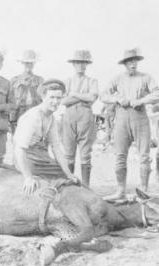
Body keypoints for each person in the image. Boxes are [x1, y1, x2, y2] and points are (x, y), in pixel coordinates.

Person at [101, 48, 159, 200]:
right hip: (121, 118)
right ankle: (120, 190)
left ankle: (144, 190)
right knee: (120, 156)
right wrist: (116, 99)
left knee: (144, 156)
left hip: (140, 117)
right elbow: (103, 95)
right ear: (125, 64)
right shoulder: (117, 78)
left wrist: (141, 100)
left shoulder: (146, 77)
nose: (133, 64)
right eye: (130, 61)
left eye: (135, 61)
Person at [13, 79, 80, 195]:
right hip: (26, 158)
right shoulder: (33, 117)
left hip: (41, 158)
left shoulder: (51, 118)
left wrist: (69, 173)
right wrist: (28, 177)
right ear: (43, 97)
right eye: (52, 97)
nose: (55, 101)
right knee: (50, 181)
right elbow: (19, 149)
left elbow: (56, 148)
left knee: (65, 176)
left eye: (59, 98)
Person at [61, 50, 99, 187]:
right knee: (68, 154)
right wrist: (83, 97)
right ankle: (70, 185)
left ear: (87, 65)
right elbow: (63, 101)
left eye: (84, 63)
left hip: (85, 117)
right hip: (69, 117)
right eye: (78, 63)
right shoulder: (67, 81)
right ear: (73, 64)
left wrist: (74, 94)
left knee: (85, 154)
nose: (81, 66)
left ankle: (86, 187)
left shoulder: (92, 81)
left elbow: (92, 97)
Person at [10, 50, 44, 134]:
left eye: (31, 63)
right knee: (18, 142)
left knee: (34, 142)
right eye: (26, 63)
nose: (28, 65)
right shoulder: (14, 80)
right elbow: (9, 100)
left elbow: (44, 100)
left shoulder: (40, 80)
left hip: (34, 114)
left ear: (34, 64)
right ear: (22, 63)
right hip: (18, 115)